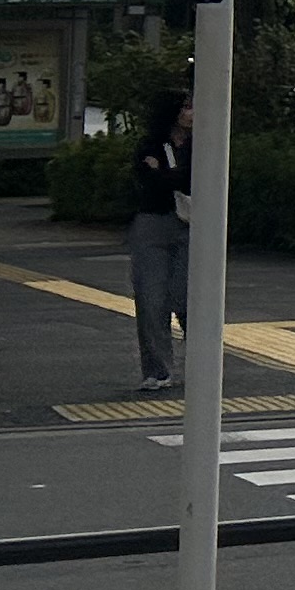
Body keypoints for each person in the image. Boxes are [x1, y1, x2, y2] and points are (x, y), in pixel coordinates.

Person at [123, 92, 194, 395]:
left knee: (189, 298)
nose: (192, 113)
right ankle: (157, 371)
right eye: (187, 107)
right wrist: (171, 177)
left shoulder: (202, 142)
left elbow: (191, 179)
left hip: (192, 225)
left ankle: (202, 363)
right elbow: (149, 180)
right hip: (153, 224)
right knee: (151, 300)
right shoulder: (151, 144)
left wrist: (164, 173)